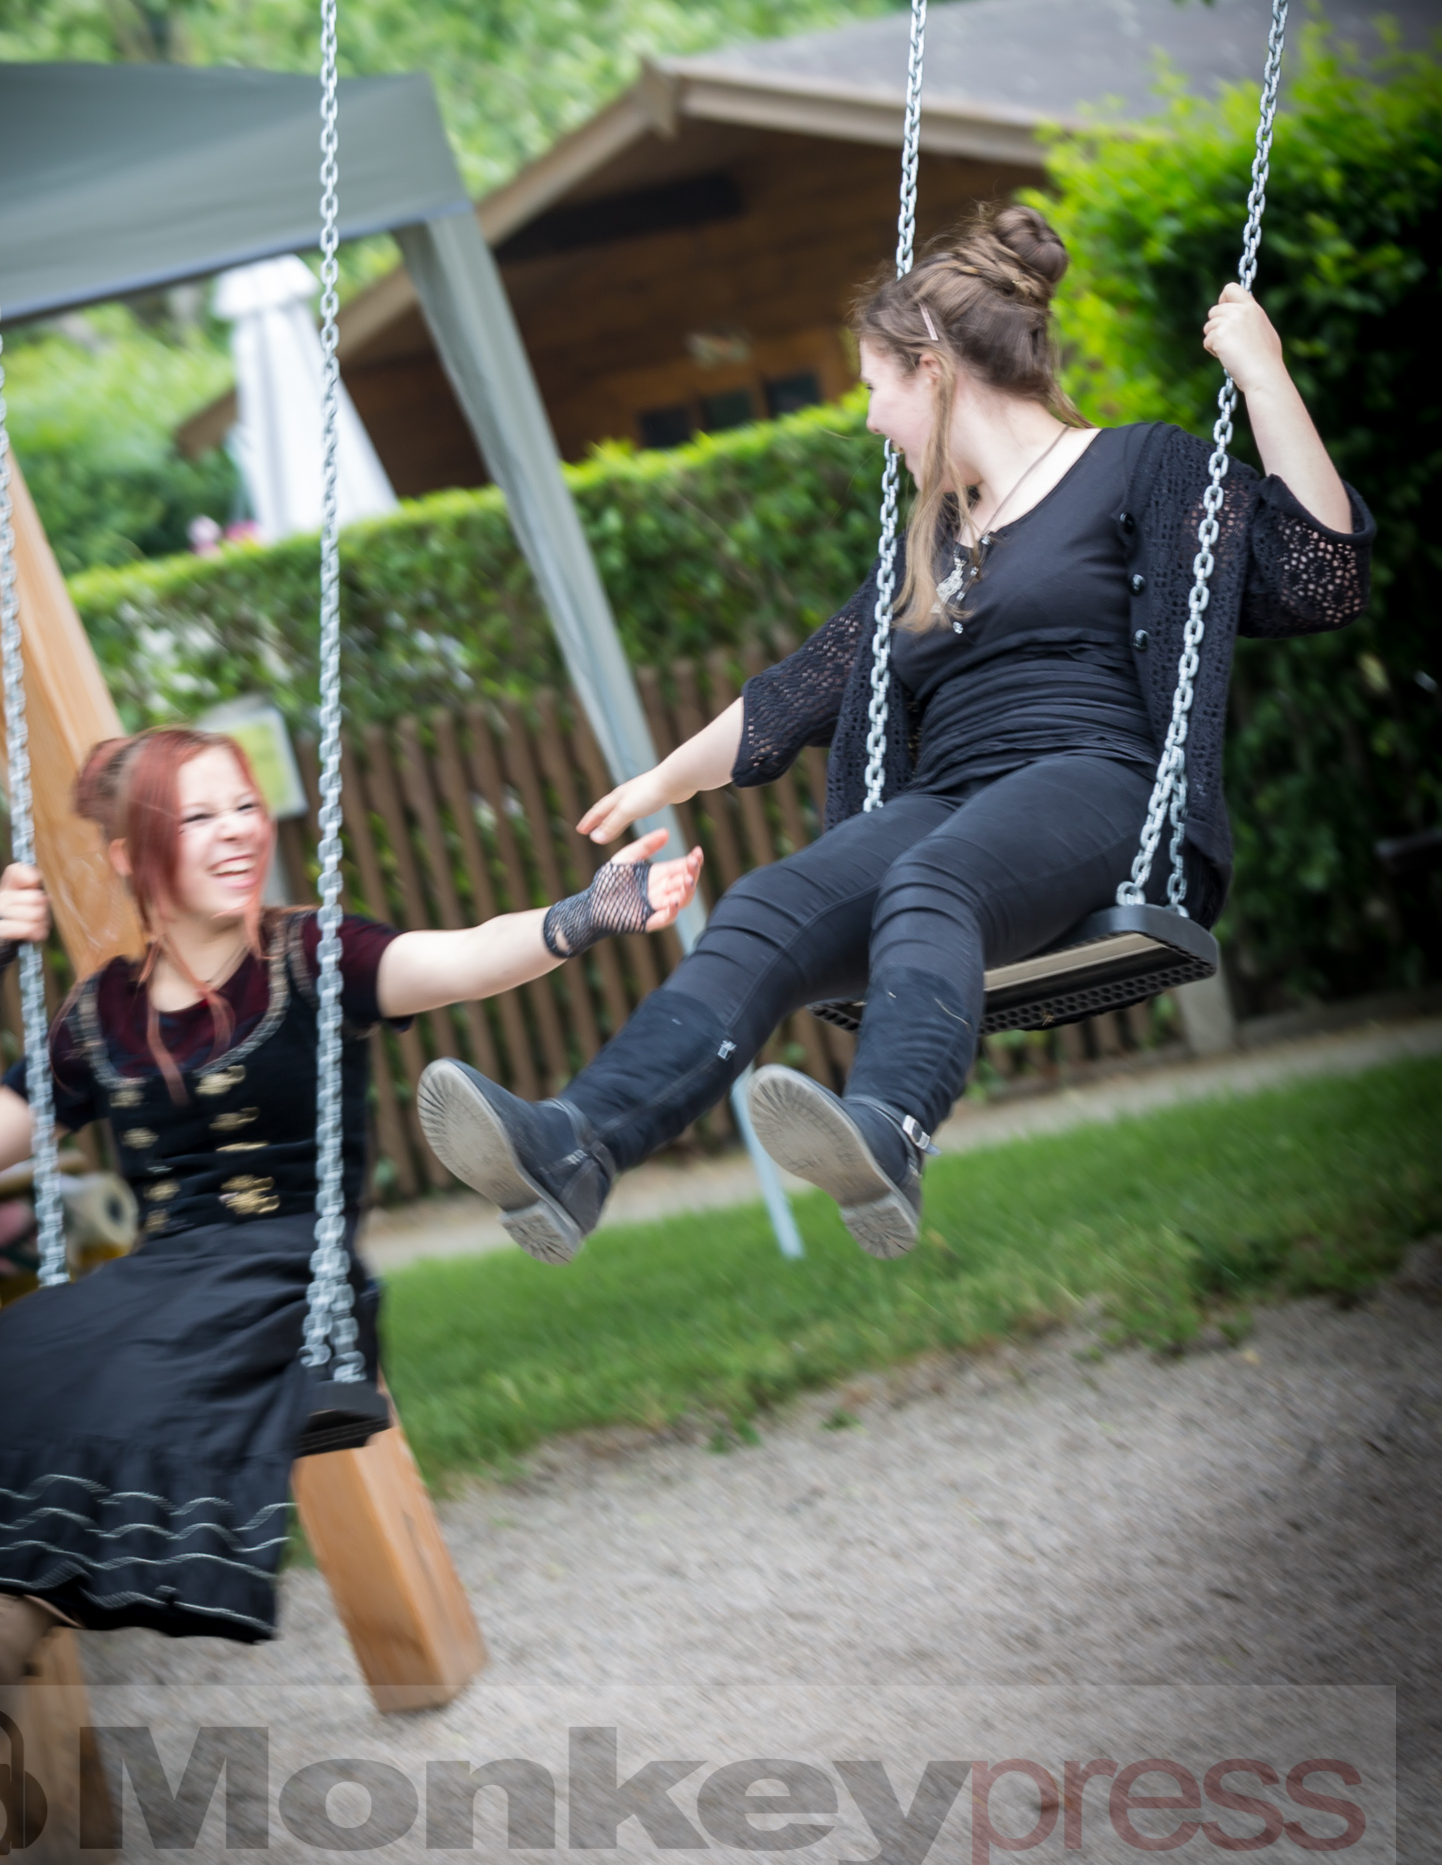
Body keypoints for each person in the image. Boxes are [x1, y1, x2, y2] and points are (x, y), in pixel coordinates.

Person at [415, 205, 1374, 1265]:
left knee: (932, 879)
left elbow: (1318, 578)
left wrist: (1261, 372)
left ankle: (888, 1128)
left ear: (933, 370)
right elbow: (798, 693)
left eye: (874, 385)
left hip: (1099, 788)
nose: (870, 417)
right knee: (773, 900)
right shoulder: (934, 539)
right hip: (951, 802)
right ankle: (574, 1144)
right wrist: (663, 781)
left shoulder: (1140, 467)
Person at [0, 723, 700, 1758]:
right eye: (198, 816)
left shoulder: (310, 954)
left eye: (245, 808)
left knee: (139, 1366)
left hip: (285, 1276)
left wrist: (585, 913)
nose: (235, 834)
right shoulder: (103, 1014)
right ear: (131, 856)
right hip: (165, 1276)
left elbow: (459, 959)